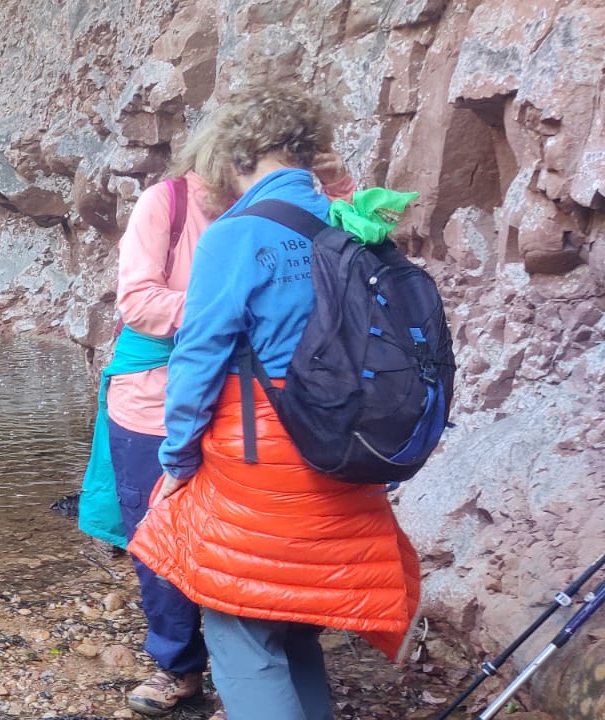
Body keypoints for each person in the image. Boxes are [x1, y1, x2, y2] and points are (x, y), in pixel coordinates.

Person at [127, 82, 420, 720]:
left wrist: (177, 461)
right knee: (294, 624)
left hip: (264, 467)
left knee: (242, 631)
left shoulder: (236, 236)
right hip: (350, 454)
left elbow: (197, 362)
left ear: (236, 155)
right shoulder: (351, 222)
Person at [108, 121, 355, 716]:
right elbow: (138, 301)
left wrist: (238, 302)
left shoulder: (296, 209)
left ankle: (252, 676)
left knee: (251, 583)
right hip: (159, 403)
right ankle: (178, 665)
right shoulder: (168, 204)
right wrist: (231, 303)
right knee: (160, 544)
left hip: (255, 421)